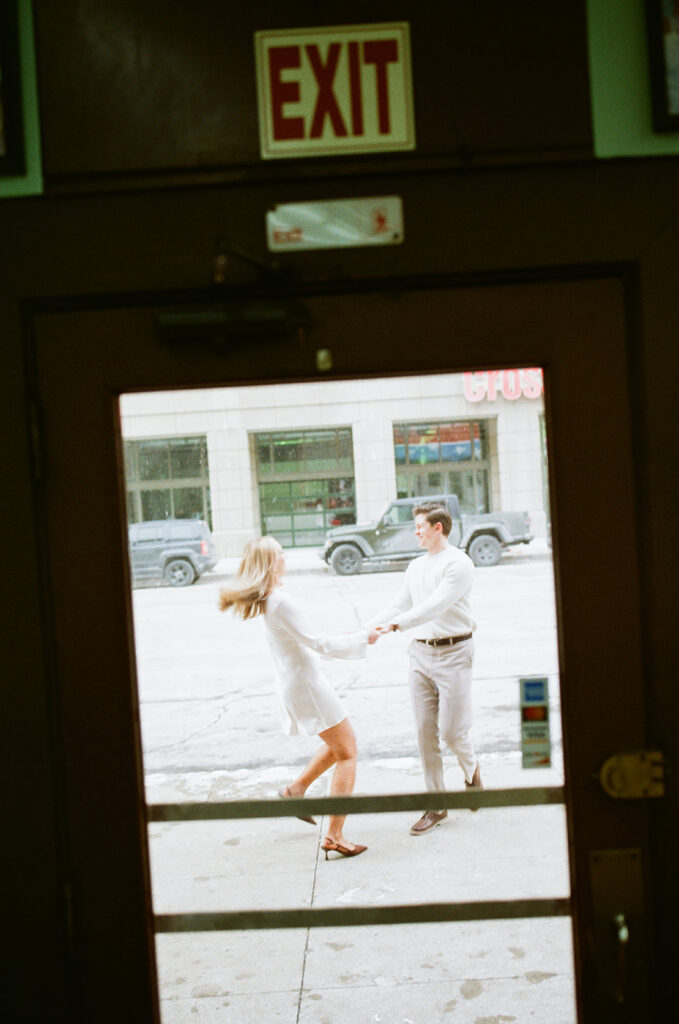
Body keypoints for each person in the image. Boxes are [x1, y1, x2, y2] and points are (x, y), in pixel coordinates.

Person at [219, 536, 378, 859]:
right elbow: (319, 643)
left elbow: (308, 640)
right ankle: (334, 835)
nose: (285, 558)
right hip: (308, 686)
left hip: (299, 682)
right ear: (270, 564)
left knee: (337, 746)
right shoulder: (279, 601)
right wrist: (363, 638)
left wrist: (351, 636)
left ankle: (295, 791)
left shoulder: (270, 601)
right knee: (348, 752)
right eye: (280, 554)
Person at [372, 503, 483, 835]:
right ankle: (437, 805)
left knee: (452, 732)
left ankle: (472, 771)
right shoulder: (416, 566)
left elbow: (434, 606)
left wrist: (396, 625)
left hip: (455, 653)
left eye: (420, 525)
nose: (415, 531)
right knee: (424, 733)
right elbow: (400, 603)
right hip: (420, 655)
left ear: (438, 528)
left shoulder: (459, 563)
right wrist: (369, 628)